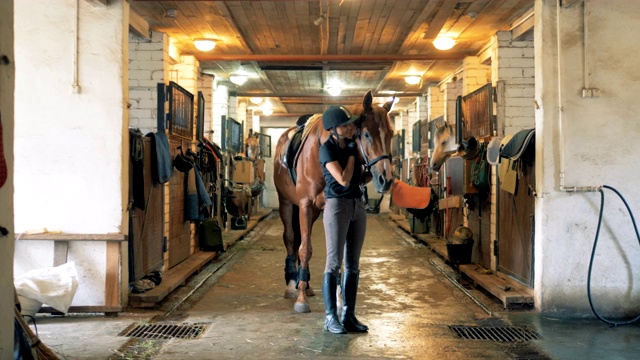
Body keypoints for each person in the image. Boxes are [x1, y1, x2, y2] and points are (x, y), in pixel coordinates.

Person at [319, 105, 369, 334]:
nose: (350, 127)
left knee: (353, 265)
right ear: (333, 129)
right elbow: (343, 179)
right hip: (337, 207)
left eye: (351, 123)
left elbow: (359, 179)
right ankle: (330, 318)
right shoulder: (327, 150)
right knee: (333, 262)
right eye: (345, 124)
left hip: (357, 206)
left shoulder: (353, 146)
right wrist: (352, 154)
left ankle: (348, 315)